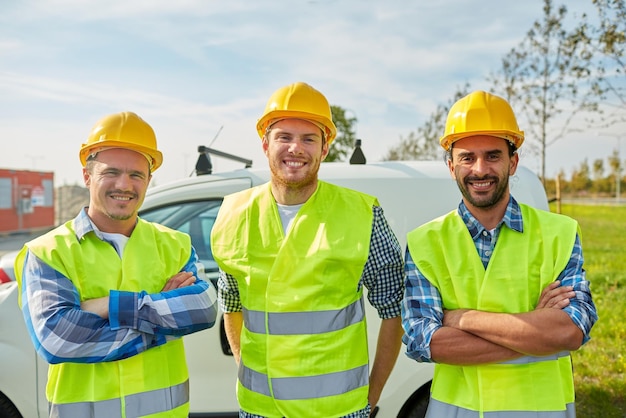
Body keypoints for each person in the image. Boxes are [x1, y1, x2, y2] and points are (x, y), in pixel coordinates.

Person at [210, 81, 405, 418]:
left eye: (309, 138)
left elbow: (394, 310)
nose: (295, 148)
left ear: (325, 148)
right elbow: (231, 303)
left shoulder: (362, 215)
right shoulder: (234, 214)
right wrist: (245, 367)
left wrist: (370, 397)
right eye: (284, 137)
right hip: (260, 411)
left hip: (339, 411)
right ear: (265, 144)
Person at [402, 90, 598, 417]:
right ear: (451, 166)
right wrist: (536, 332)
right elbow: (426, 342)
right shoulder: (425, 243)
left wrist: (462, 318)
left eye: (493, 155)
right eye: (467, 157)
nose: (480, 169)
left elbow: (571, 331)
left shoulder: (560, 233)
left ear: (513, 161)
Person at [14, 111, 219, 418]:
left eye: (136, 175)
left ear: (149, 180)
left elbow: (202, 309)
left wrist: (105, 306)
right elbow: (58, 339)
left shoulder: (175, 244)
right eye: (111, 172)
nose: (124, 184)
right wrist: (164, 314)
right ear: (87, 176)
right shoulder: (48, 251)